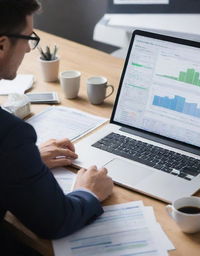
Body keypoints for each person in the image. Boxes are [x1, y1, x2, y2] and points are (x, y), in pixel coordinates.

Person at [0, 0, 113, 253]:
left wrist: (23, 162)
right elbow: (55, 221)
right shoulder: (9, 134)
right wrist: (89, 192)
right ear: (2, 44)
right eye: (29, 38)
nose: (30, 50)